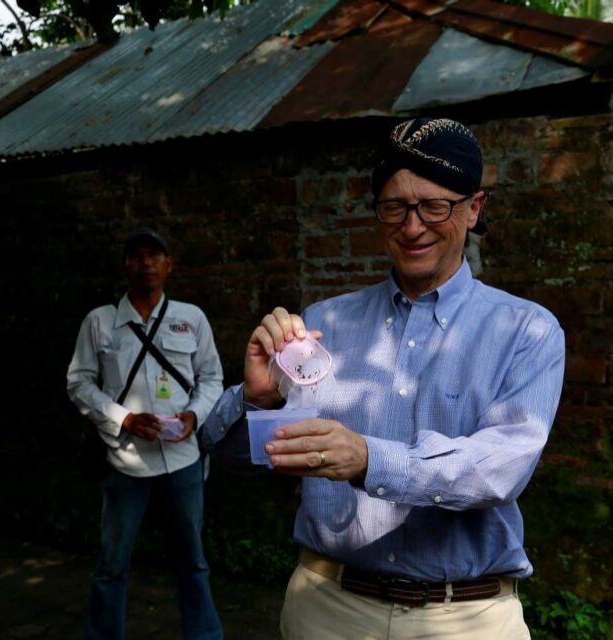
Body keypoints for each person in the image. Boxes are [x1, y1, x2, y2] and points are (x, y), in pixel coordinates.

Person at [202, 118, 565, 640]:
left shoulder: (527, 330)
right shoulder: (323, 325)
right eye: (394, 206)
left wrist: (370, 458)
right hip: (327, 608)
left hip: (467, 619)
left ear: (474, 209)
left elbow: (501, 469)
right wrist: (259, 402)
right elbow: (242, 463)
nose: (412, 226)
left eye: (434, 206)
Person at [67, 227, 224, 640]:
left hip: (184, 460)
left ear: (169, 264)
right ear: (126, 266)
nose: (146, 263)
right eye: (136, 255)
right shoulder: (99, 322)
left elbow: (212, 377)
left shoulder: (191, 319)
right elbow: (79, 383)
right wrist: (124, 418)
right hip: (127, 462)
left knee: (192, 560)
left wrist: (194, 416)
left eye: (154, 254)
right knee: (112, 564)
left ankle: (204, 635)